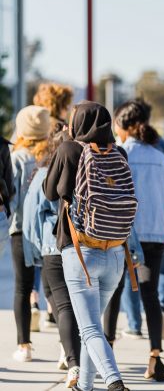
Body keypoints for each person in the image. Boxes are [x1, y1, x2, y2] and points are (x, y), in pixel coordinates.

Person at [44, 101, 132, 391]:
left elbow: (50, 192)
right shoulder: (118, 153)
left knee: (90, 328)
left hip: (80, 251)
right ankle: (84, 386)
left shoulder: (69, 149)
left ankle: (115, 382)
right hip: (116, 251)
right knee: (91, 326)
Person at [113, 99, 164, 382]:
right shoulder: (160, 156)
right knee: (150, 294)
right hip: (157, 232)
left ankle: (107, 351)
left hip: (126, 232)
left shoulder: (121, 153)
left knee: (113, 290)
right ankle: (155, 358)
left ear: (124, 127)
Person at [22, 121, 81, 387]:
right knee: (81, 305)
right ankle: (82, 354)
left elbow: (30, 220)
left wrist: (38, 249)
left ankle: (72, 360)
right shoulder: (85, 172)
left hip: (52, 248)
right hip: (83, 246)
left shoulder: (44, 175)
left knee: (60, 302)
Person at [10, 105, 50, 362]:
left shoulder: (17, 157)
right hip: (47, 230)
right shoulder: (51, 155)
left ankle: (24, 346)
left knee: (23, 288)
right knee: (55, 288)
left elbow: (11, 197)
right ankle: (65, 350)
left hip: (20, 231)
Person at [33, 82, 73, 329]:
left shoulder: (35, 125)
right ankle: (51, 308)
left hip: (36, 190)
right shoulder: (64, 131)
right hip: (59, 202)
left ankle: (33, 300)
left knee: (36, 258)